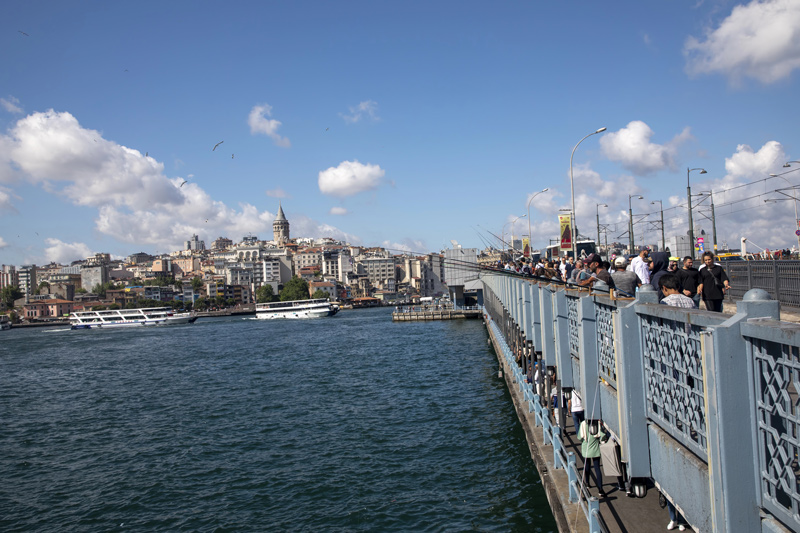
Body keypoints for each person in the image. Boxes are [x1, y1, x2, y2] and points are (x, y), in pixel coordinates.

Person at [579, 419, 607, 496]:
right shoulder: (597, 423)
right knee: (597, 468)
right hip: (595, 448)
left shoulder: (583, 424)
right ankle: (600, 489)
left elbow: (580, 437)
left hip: (586, 448)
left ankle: (587, 483)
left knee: (587, 466)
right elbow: (603, 435)